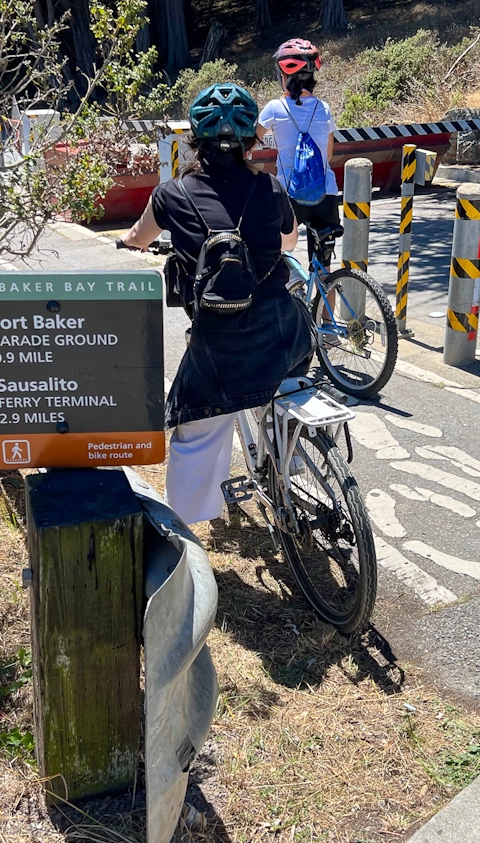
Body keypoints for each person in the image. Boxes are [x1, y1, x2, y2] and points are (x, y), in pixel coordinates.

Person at [121, 83, 314, 525]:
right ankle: (293, 452)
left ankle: (186, 531)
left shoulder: (171, 194)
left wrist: (125, 242)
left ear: (195, 137)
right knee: (286, 386)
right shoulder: (268, 188)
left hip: (220, 344)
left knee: (198, 432)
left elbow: (139, 237)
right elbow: (289, 240)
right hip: (284, 330)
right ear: (252, 139)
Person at [255, 38, 341, 267]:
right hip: (326, 195)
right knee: (324, 268)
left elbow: (249, 145)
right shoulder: (324, 109)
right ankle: (327, 298)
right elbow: (329, 154)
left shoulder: (274, 108)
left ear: (284, 76)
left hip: (289, 198)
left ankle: (291, 293)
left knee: (278, 258)